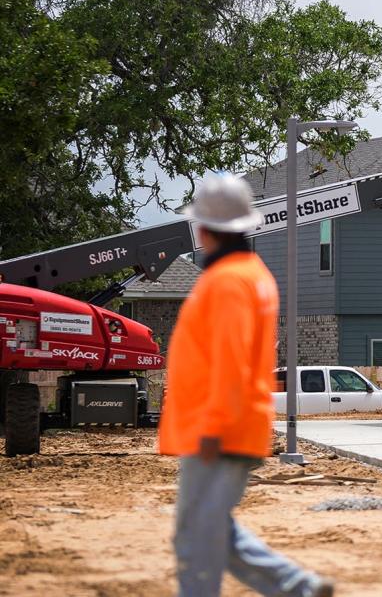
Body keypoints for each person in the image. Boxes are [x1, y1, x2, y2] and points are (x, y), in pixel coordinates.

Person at [158, 174, 334, 597]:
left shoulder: (228, 282)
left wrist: (212, 428)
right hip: (232, 425)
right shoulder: (250, 275)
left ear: (202, 230)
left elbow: (230, 363)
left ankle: (294, 588)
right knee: (211, 526)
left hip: (219, 429)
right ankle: (297, 588)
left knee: (196, 536)